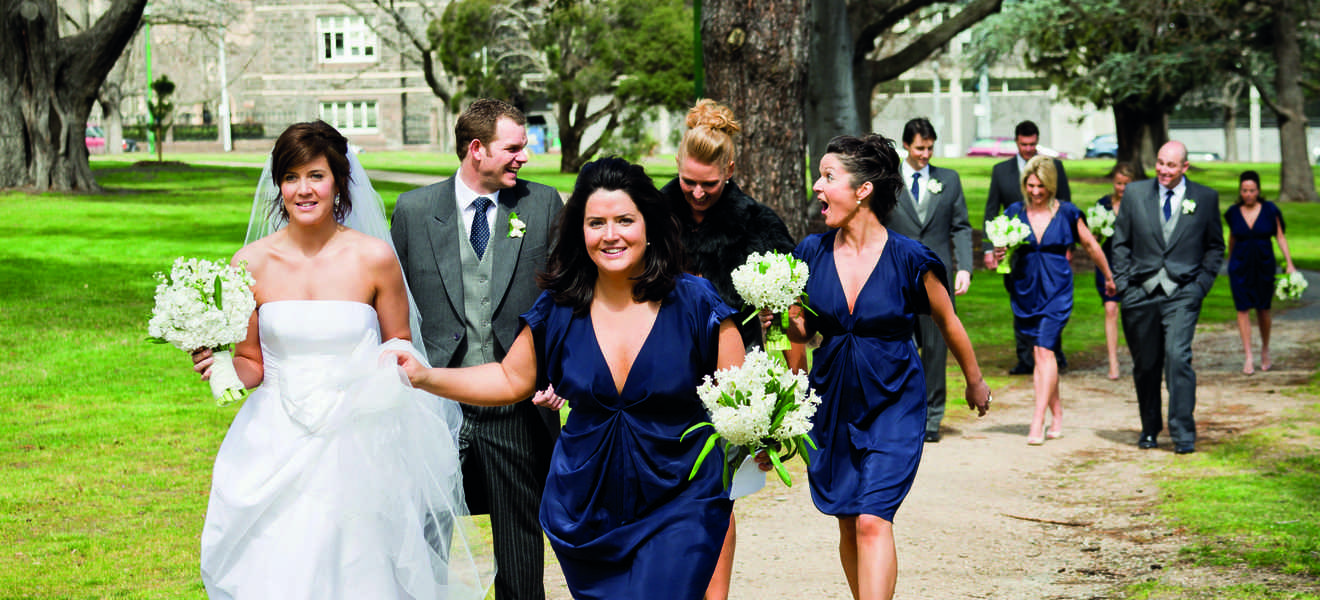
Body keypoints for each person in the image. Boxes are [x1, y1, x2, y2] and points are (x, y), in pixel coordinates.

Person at [390, 157, 745, 600]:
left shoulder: (696, 302)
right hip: (587, 506)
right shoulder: (560, 307)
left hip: (681, 496)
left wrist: (763, 440)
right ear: (580, 230)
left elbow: (740, 398)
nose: (610, 234)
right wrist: (425, 377)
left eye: (625, 221)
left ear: (649, 225)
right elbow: (507, 379)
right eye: (596, 222)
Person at [190, 121, 490, 598]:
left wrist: (372, 386)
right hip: (275, 439)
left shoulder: (374, 258)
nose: (303, 189)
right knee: (279, 567)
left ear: (339, 182)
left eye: (315, 175)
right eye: (290, 177)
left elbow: (400, 349)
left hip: (357, 440)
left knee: (359, 567)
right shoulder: (250, 263)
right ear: (278, 186)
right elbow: (251, 362)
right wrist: (220, 366)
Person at [786, 134, 991, 600]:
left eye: (828, 177)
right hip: (832, 398)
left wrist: (974, 381)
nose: (818, 187)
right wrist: (783, 323)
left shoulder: (910, 258)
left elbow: (948, 321)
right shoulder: (809, 254)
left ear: (863, 191)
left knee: (873, 518)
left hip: (894, 398)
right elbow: (801, 335)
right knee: (847, 518)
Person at [390, 98, 561, 600]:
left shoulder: (542, 204)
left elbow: (567, 300)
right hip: (433, 407)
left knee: (522, 552)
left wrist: (557, 378)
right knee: (425, 541)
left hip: (516, 407)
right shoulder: (415, 211)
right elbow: (392, 305)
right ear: (476, 149)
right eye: (513, 148)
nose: (523, 158)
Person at [658, 98, 796, 599]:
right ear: (677, 164)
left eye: (709, 183)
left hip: (729, 383)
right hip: (655, 377)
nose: (696, 192)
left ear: (731, 170)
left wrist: (775, 410)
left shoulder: (761, 226)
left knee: (717, 499)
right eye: (688, 180)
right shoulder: (649, 216)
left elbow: (788, 325)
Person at [992, 156, 1115, 445]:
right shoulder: (1014, 211)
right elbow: (1002, 247)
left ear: (1051, 185)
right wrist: (999, 253)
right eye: (1030, 185)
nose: (1035, 191)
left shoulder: (1068, 213)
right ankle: (1057, 412)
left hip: (1057, 290)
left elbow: (1091, 245)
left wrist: (1109, 276)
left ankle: (1038, 420)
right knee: (1040, 354)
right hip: (1025, 289)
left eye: (1041, 186)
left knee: (1044, 352)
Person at [1111, 141, 1224, 455]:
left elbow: (1215, 246)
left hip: (1184, 292)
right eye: (1160, 162)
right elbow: (1120, 243)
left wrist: (1200, 285)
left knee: (1177, 358)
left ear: (1184, 167)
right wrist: (1123, 285)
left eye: (1171, 165)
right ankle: (1149, 428)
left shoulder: (1205, 198)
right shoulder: (1134, 194)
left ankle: (1183, 434)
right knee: (1146, 365)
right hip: (1140, 291)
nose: (1163, 169)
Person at [883, 117, 974, 443]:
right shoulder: (890, 182)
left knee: (936, 351)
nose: (925, 154)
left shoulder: (948, 179)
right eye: (920, 148)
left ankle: (932, 418)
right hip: (896, 279)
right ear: (906, 145)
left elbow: (961, 226)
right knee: (897, 348)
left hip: (936, 280)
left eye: (930, 148)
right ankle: (901, 414)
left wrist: (964, 266)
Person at [984, 120, 1071, 375]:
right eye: (1024, 144)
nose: (1028, 149)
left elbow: (1065, 205)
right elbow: (991, 209)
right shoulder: (1001, 171)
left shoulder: (1054, 168)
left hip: (1049, 247)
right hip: (1016, 251)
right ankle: (1025, 357)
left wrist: (1067, 247)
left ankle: (1053, 352)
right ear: (1016, 142)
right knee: (1020, 300)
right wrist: (990, 248)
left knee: (1051, 300)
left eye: (1033, 144)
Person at [1225, 170, 1297, 374]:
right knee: (1242, 308)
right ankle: (1248, 356)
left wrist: (1289, 263)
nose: (1248, 194)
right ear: (1240, 191)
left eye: (1252, 190)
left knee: (1263, 308)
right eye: (1244, 190)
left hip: (1264, 263)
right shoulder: (1233, 212)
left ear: (1258, 190)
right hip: (1240, 265)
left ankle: (1265, 349)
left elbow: (1280, 237)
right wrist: (1230, 262)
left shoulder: (1270, 210)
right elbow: (1232, 237)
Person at [1093, 163, 1136, 380]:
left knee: (1132, 313)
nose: (1121, 188)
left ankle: (1138, 357)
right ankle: (1113, 362)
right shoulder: (1103, 206)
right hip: (1107, 264)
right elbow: (1093, 241)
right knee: (1111, 310)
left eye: (1126, 184)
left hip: (1132, 265)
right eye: (1118, 183)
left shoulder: (1139, 205)